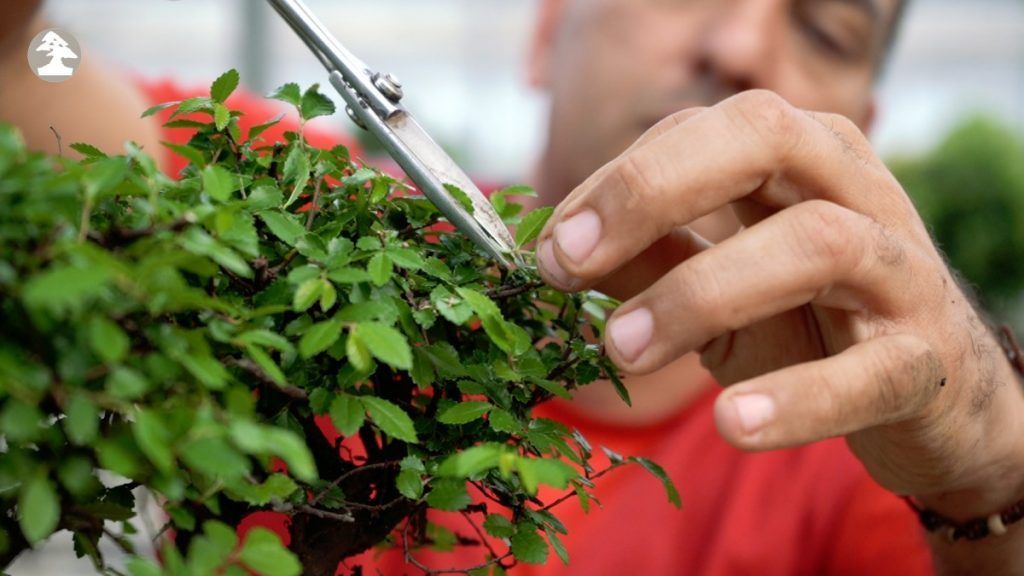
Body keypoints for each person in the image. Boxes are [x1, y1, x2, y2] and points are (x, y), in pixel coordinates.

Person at [3, 1, 1023, 575]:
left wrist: (989, 476)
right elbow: (49, 84)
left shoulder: (878, 470)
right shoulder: (318, 220)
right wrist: (25, 38)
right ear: (546, 32)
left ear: (866, 130)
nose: (742, 45)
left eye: (826, 30)